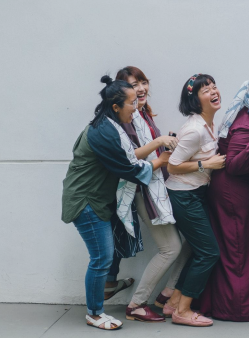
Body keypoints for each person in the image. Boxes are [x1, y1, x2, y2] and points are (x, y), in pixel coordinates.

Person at [61, 75, 161, 330]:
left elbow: (127, 158)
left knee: (103, 256)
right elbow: (128, 167)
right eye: (131, 102)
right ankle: (94, 313)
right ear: (115, 106)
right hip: (86, 201)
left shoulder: (109, 124)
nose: (136, 107)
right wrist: (161, 160)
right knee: (101, 258)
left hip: (95, 200)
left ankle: (104, 297)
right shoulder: (103, 131)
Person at [93, 66, 189, 323]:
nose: (141, 89)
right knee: (171, 248)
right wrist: (160, 146)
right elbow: (128, 158)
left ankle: (166, 296)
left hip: (157, 188)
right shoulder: (127, 117)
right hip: (143, 191)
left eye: (143, 82)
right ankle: (137, 304)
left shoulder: (142, 115)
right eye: (134, 85)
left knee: (187, 244)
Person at [199, 76, 249, 321]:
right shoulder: (248, 124)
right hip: (234, 193)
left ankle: (238, 305)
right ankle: (238, 310)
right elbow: (234, 164)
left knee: (242, 249)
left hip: (236, 191)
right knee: (240, 252)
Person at [162, 74, 226, 327]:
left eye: (213, 86)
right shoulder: (195, 129)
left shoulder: (208, 123)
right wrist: (206, 164)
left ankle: (173, 303)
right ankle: (183, 312)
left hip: (196, 194)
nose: (213, 91)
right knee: (209, 253)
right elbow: (173, 165)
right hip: (183, 195)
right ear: (195, 100)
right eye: (204, 90)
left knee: (201, 250)